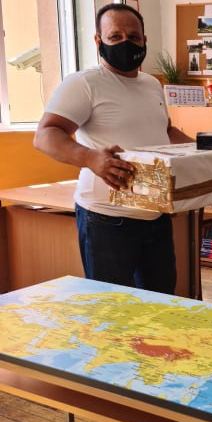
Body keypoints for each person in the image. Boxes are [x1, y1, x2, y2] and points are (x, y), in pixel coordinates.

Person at [33, 4, 192, 294]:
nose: (125, 43)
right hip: (106, 219)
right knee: (113, 307)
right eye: (115, 36)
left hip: (154, 214)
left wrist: (203, 151)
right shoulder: (84, 83)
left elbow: (165, 131)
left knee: (161, 304)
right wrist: (90, 158)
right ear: (98, 41)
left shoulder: (151, 84)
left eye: (133, 36)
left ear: (144, 40)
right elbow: (45, 135)